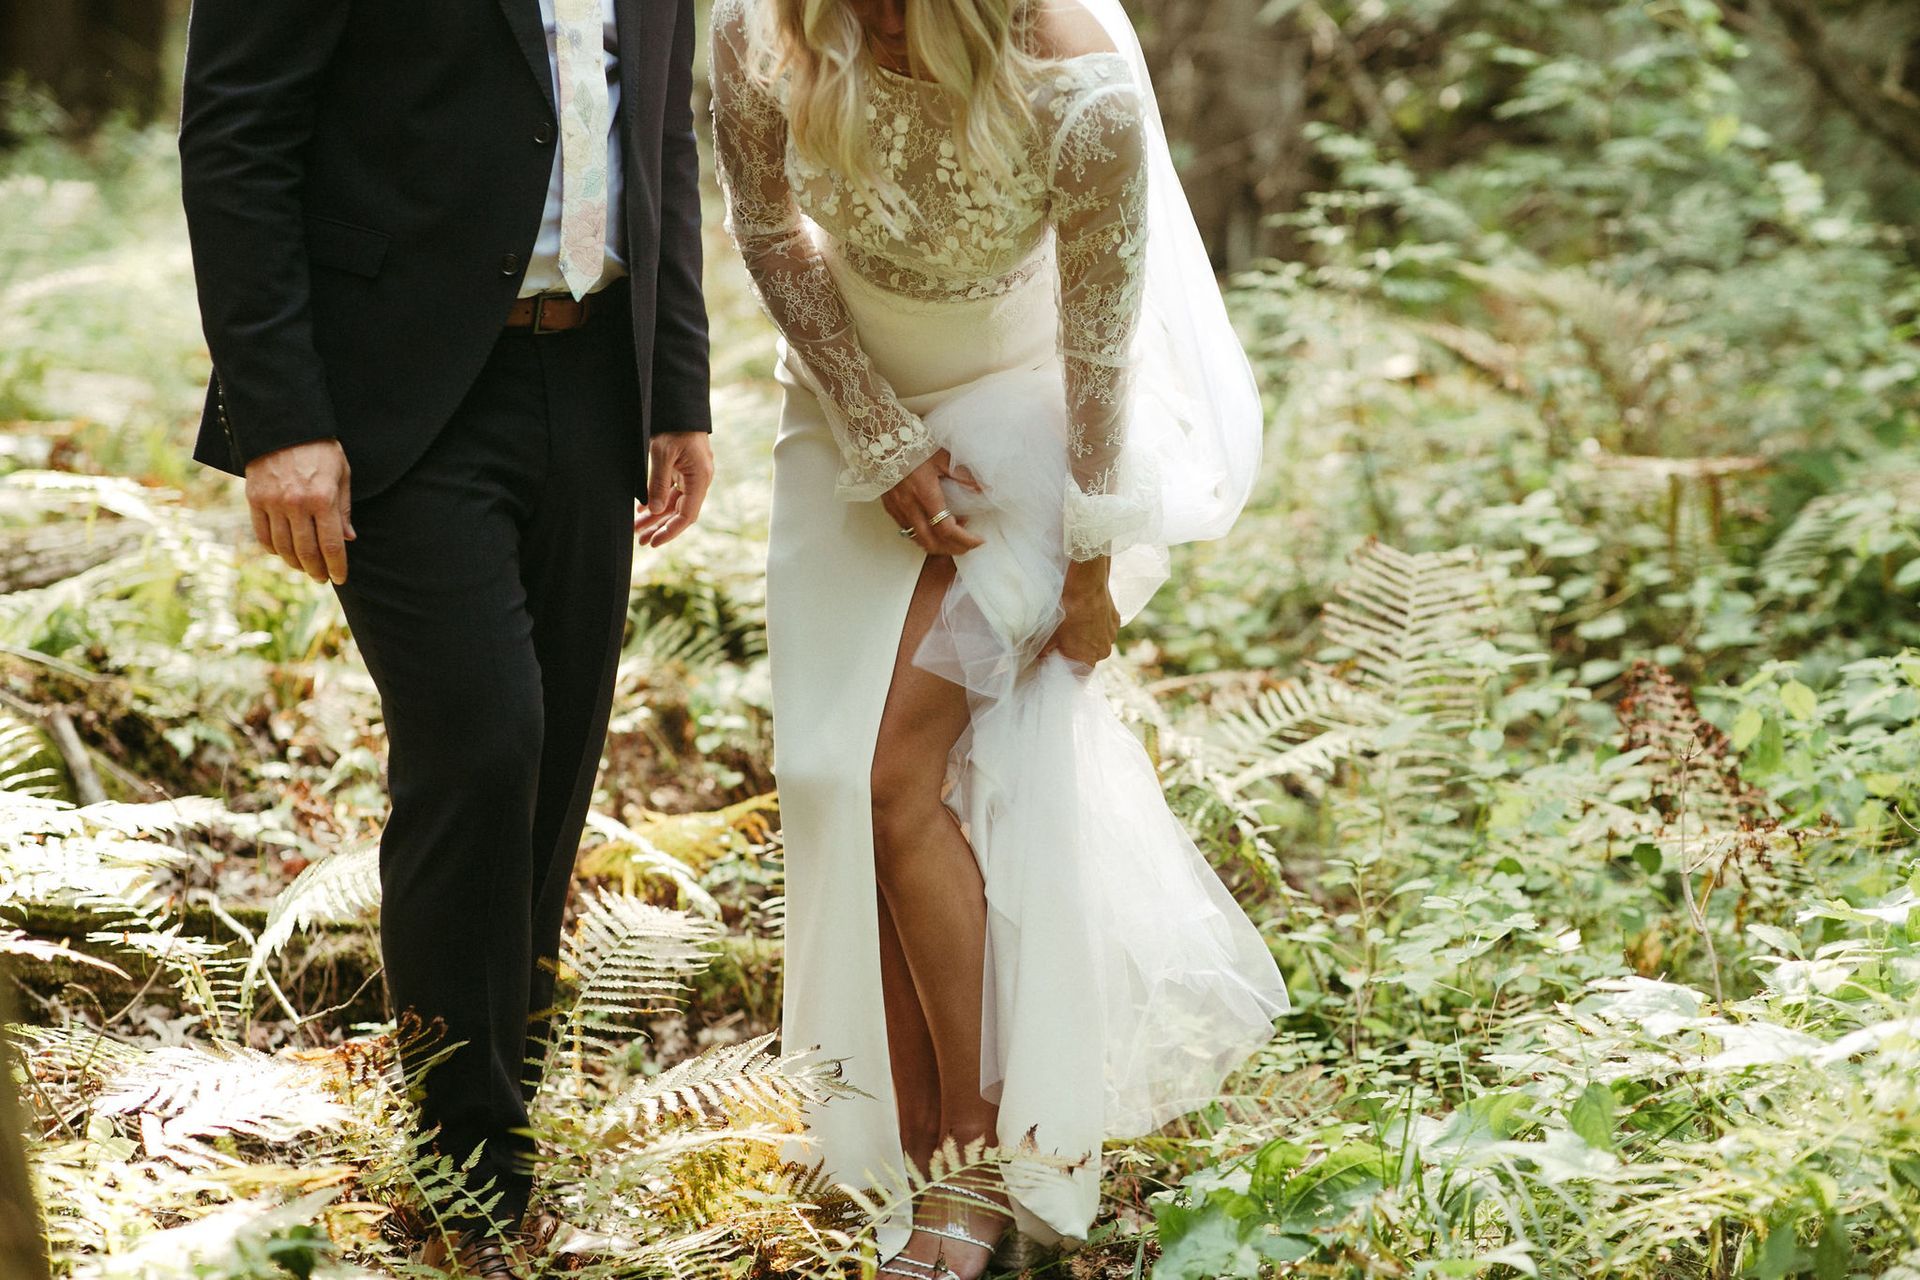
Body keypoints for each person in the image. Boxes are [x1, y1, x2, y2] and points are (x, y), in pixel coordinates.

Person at [709, 0, 1291, 1275]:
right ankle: (902, 1145)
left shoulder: (1072, 79)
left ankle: (973, 1166)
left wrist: (1090, 557)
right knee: (823, 776)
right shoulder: (765, 28)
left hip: (1036, 424)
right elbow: (767, 224)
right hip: (849, 408)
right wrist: (874, 429)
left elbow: (1101, 335)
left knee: (894, 773)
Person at [177, 2, 713, 1274]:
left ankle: (497, 1122)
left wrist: (676, 384)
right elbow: (236, 136)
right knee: (481, 742)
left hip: (592, 381)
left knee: (554, 757)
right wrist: (278, 418)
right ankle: (468, 1173)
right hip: (392, 392)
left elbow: (658, 134)